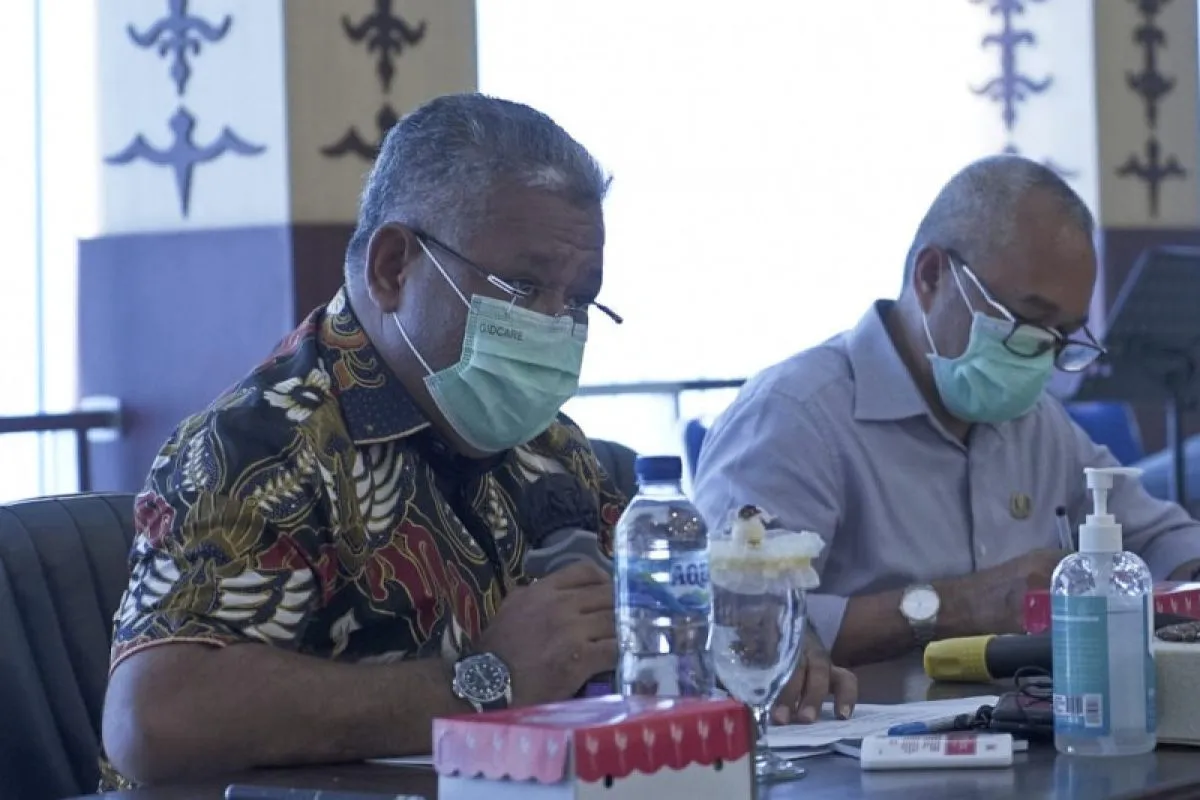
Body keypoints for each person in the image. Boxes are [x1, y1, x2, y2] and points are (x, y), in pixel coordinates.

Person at [100, 93, 855, 788]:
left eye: (579, 300)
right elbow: (155, 719)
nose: (554, 325)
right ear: (393, 267)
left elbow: (641, 639)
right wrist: (478, 681)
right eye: (523, 288)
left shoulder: (549, 447)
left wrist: (748, 651)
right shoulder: (259, 445)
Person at [694, 155, 1200, 668]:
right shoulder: (794, 417)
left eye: (1063, 336)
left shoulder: (1036, 423)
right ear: (932, 276)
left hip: (1024, 711)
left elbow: (1159, 536)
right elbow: (736, 624)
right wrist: (956, 606)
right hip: (858, 719)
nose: (1043, 359)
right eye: (1027, 322)